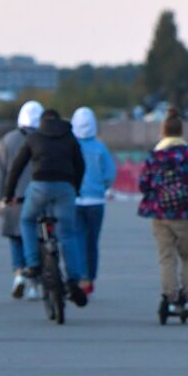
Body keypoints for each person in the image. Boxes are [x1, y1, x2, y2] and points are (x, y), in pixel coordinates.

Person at [2, 108, 87, 305]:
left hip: (40, 186)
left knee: (27, 220)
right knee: (67, 233)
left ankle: (33, 264)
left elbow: (17, 167)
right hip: (65, 187)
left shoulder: (35, 137)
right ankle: (74, 279)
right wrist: (76, 188)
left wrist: (8, 195)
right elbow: (80, 165)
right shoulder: (69, 137)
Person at [138, 108, 188, 321]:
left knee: (166, 257)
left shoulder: (155, 156)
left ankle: (170, 298)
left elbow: (144, 183)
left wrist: (155, 196)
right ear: (181, 131)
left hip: (161, 214)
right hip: (187, 212)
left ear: (163, 131)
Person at [0, 100, 42, 300]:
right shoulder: (44, 139)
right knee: (38, 239)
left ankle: (18, 276)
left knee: (15, 238)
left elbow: (2, 171)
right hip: (40, 197)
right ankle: (34, 284)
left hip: (13, 196)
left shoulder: (8, 139)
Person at [70, 106, 117, 302]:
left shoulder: (70, 146)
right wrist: (101, 187)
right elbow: (110, 174)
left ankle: (78, 277)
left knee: (77, 239)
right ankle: (89, 279)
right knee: (92, 242)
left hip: (74, 199)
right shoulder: (100, 148)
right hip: (96, 201)